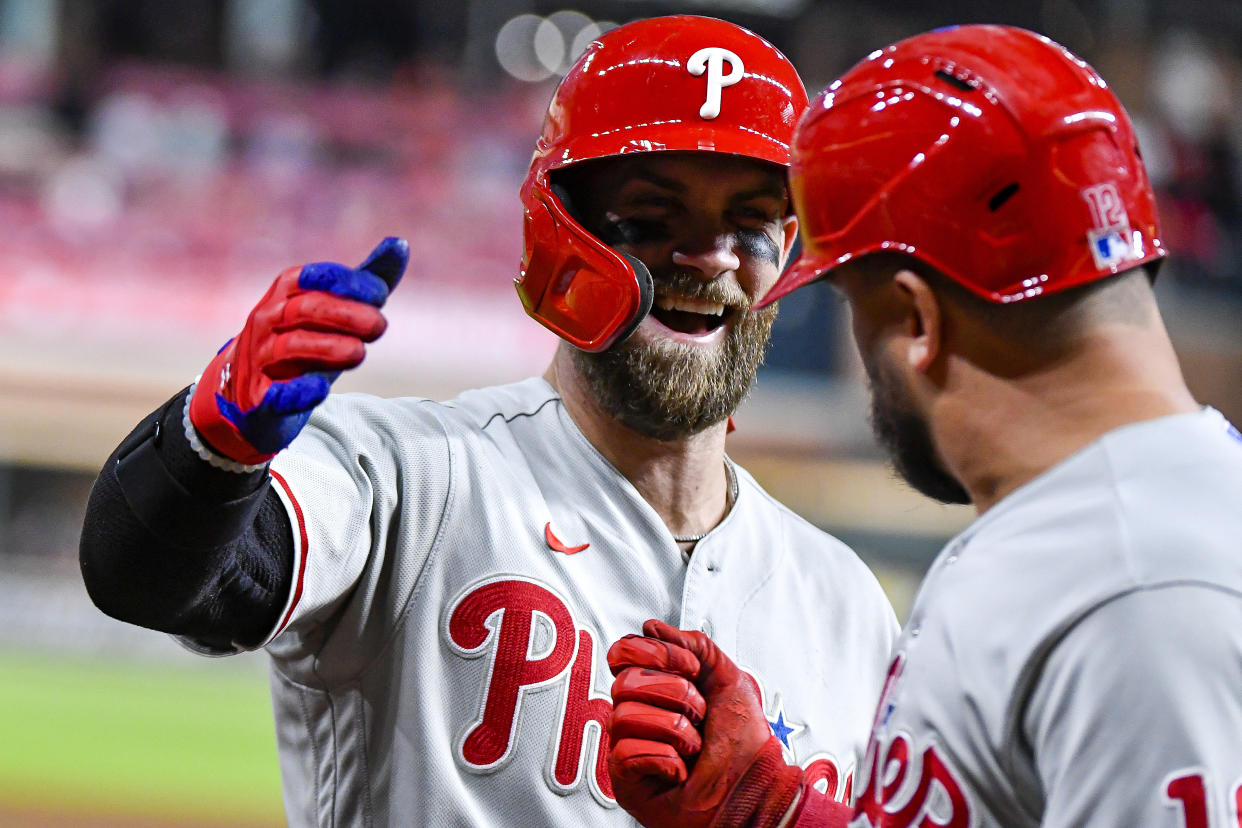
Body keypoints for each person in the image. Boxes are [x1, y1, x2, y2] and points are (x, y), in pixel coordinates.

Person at [77, 15, 900, 827]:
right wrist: (209, 448)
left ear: (788, 248)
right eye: (653, 218)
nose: (712, 257)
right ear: (559, 232)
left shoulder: (847, 606)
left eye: (749, 222)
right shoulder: (412, 477)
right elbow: (155, 578)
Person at [604, 23, 1242, 828]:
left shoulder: (1140, 591)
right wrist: (771, 808)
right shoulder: (1108, 533)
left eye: (854, 308)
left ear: (915, 319)